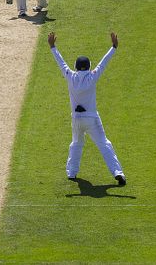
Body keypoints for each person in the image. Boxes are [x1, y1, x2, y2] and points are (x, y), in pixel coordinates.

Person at [48, 32, 126, 186]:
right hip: (92, 119)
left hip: (76, 119)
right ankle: (118, 173)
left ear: (76, 67)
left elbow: (61, 62)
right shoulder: (92, 77)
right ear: (89, 67)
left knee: (76, 143)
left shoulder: (70, 76)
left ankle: (71, 172)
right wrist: (114, 47)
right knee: (104, 144)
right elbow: (103, 64)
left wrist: (52, 47)